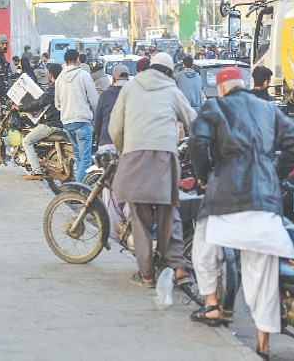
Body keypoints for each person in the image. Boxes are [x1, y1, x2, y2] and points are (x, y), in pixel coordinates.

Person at [187, 67, 294, 359]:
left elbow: (197, 142)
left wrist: (204, 176)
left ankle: (212, 305)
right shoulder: (268, 108)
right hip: (265, 199)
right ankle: (262, 345)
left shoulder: (215, 106)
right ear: (241, 84)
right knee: (261, 272)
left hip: (224, 195)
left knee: (203, 248)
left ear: (223, 88)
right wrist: (273, 173)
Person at [108, 52, 197, 288]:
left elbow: (115, 127)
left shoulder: (130, 88)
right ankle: (178, 267)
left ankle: (147, 275)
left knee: (140, 219)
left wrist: (124, 151)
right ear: (168, 72)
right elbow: (194, 122)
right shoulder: (172, 91)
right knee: (170, 214)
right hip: (165, 158)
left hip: (134, 157)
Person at [95, 64, 131, 244]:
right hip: (127, 146)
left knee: (109, 190)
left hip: (107, 145)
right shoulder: (134, 94)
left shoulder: (106, 95)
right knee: (127, 186)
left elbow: (98, 122)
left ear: (114, 78)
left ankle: (114, 232)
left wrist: (99, 138)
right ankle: (130, 224)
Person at [13, 63, 63, 180]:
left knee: (27, 142)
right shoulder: (62, 86)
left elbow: (40, 102)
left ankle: (37, 172)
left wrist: (20, 108)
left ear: (51, 75)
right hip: (60, 121)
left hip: (51, 124)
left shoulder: (53, 87)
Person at [55, 49, 98, 183]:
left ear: (65, 61)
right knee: (86, 159)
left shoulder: (59, 78)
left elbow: (57, 103)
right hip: (82, 121)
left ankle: (80, 186)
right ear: (78, 59)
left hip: (67, 122)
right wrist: (95, 117)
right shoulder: (84, 76)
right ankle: (78, 190)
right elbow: (94, 101)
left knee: (79, 157)